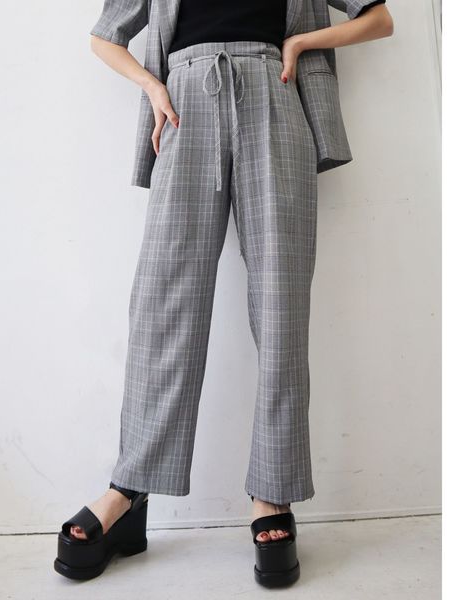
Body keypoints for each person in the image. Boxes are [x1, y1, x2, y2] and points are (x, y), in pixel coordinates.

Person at [54, 0, 393, 587]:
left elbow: (379, 18)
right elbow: (104, 38)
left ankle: (272, 493)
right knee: (162, 304)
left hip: (274, 96)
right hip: (183, 104)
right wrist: (152, 86)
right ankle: (128, 489)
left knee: (280, 307)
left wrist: (300, 43)